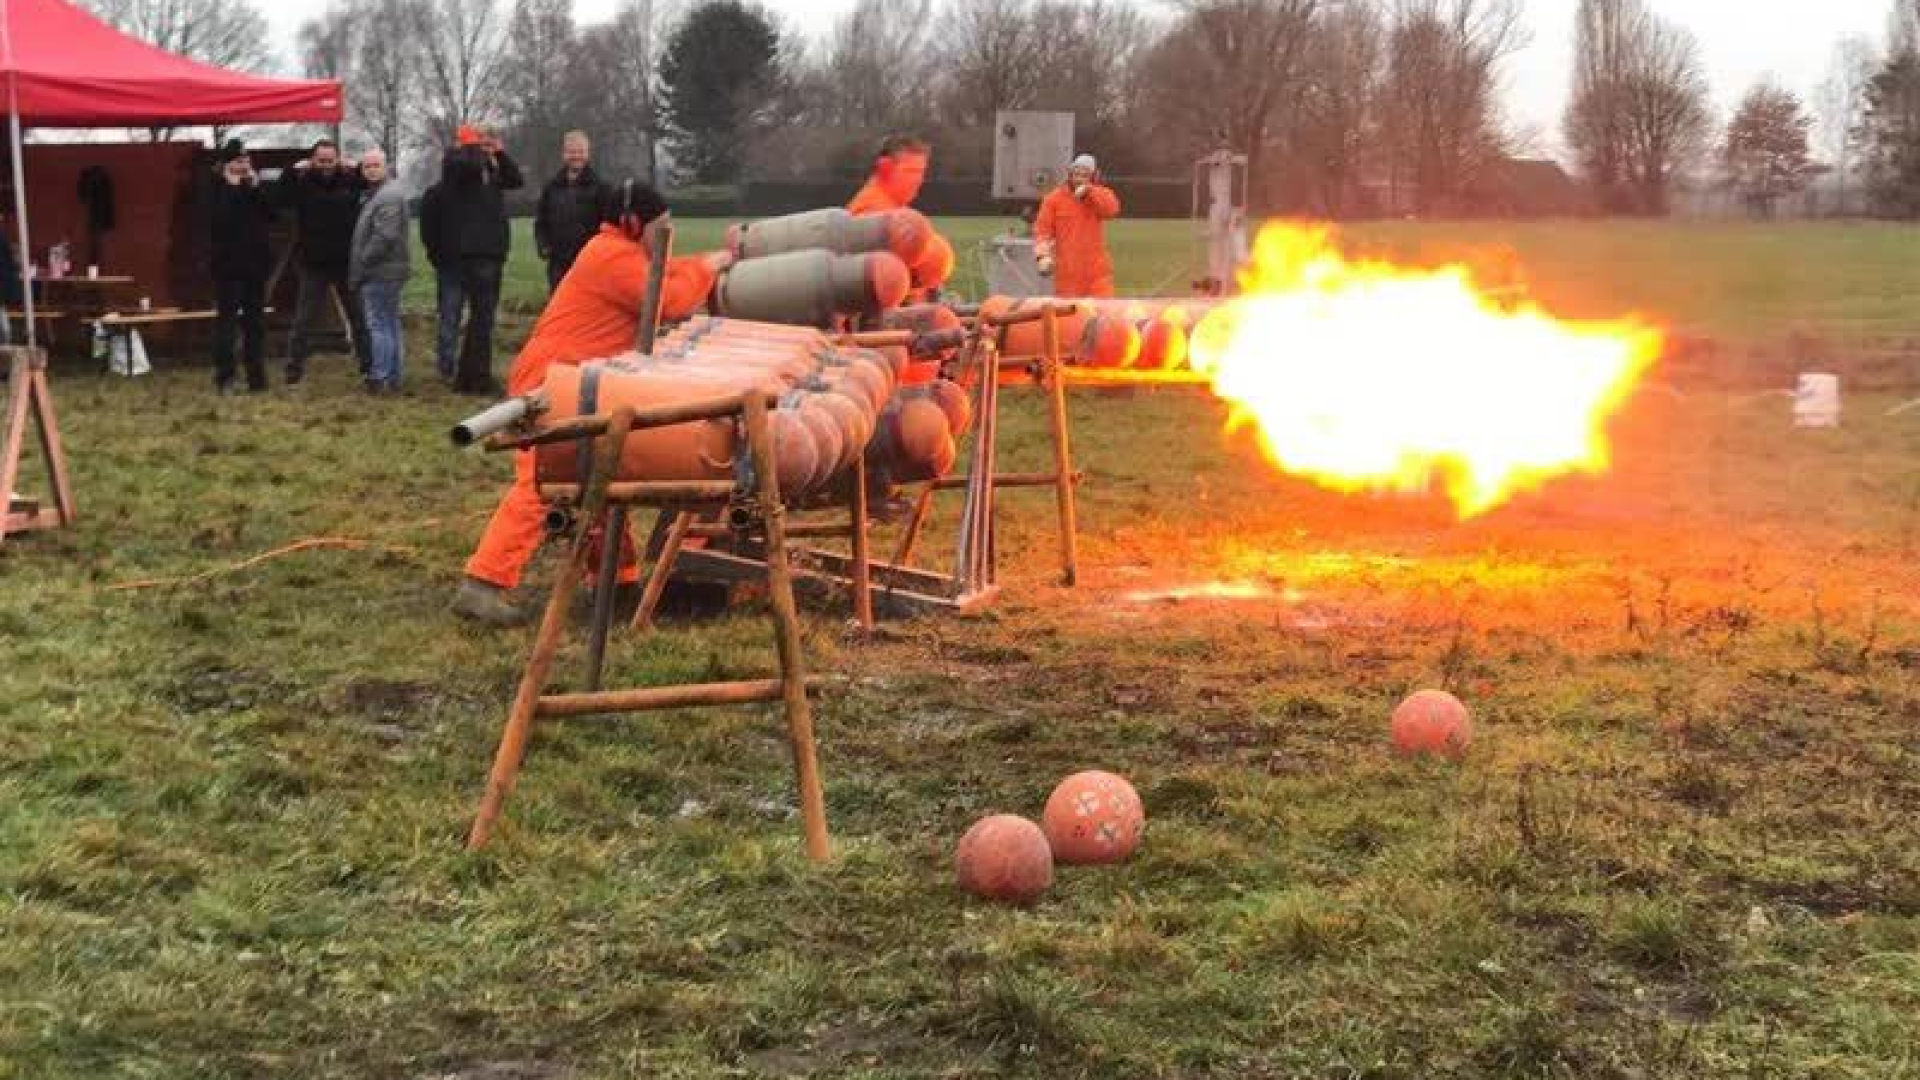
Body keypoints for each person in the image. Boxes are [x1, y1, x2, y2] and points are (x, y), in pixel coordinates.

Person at [452, 180, 734, 626]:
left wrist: (707, 263)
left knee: (599, 478)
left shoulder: (623, 253)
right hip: (552, 383)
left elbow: (668, 269)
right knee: (543, 484)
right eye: (663, 227)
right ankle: (482, 584)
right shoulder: (610, 257)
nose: (670, 234)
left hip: (583, 383)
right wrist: (713, 266)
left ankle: (617, 583)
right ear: (632, 222)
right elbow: (670, 298)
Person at [419, 125, 524, 395]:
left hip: (490, 254)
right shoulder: (457, 167)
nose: (485, 149)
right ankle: (463, 372)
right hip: (467, 256)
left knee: (482, 321)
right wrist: (475, 147)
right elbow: (463, 165)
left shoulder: (492, 172)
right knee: (462, 318)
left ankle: (472, 375)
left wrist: (499, 153)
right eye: (480, 143)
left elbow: (516, 180)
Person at [275, 138, 369, 388]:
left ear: (338, 160)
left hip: (345, 262)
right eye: (321, 160)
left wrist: (357, 167)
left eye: (330, 160)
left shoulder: (349, 179)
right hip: (313, 263)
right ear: (312, 160)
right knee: (303, 320)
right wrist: (291, 170)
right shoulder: (302, 181)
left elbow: (369, 179)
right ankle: (293, 371)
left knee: (358, 317)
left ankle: (368, 366)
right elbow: (281, 197)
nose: (326, 165)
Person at [208, 140, 274, 394]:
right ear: (226, 165)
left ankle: (257, 378)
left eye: (246, 161)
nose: (244, 166)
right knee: (227, 323)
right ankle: (225, 377)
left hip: (255, 266)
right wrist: (232, 187)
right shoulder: (216, 189)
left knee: (254, 323)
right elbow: (221, 221)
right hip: (227, 268)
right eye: (238, 162)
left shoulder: (252, 188)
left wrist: (256, 187)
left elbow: (272, 215)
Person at [348, 148, 410, 394]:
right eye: (367, 166)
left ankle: (380, 376)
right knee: (389, 323)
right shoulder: (377, 195)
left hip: (381, 271)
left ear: (386, 167)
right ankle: (393, 376)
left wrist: (363, 260)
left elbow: (385, 235)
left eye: (376, 165)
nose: (371, 170)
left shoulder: (388, 196)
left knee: (379, 325)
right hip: (385, 270)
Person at [533, 130, 612, 293]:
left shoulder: (601, 187)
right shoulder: (551, 187)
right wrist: (543, 245)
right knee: (558, 304)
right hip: (558, 261)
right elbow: (541, 221)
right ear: (564, 154)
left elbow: (609, 225)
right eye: (572, 152)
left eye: (580, 151)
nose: (576, 156)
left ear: (587, 154)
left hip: (589, 260)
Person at [1034, 153, 1122, 297]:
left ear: (1093, 177)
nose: (1079, 179)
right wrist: (1043, 256)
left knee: (1103, 314)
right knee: (1069, 316)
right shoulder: (1054, 199)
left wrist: (1090, 191)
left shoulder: (1100, 196)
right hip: (1068, 275)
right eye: (1076, 174)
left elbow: (1112, 209)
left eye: (1085, 175)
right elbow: (1042, 231)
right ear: (1070, 174)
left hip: (1097, 275)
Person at [847, 134, 930, 216]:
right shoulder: (871, 211)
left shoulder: (893, 206)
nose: (918, 180)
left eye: (921, 173)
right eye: (911, 171)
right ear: (885, 168)